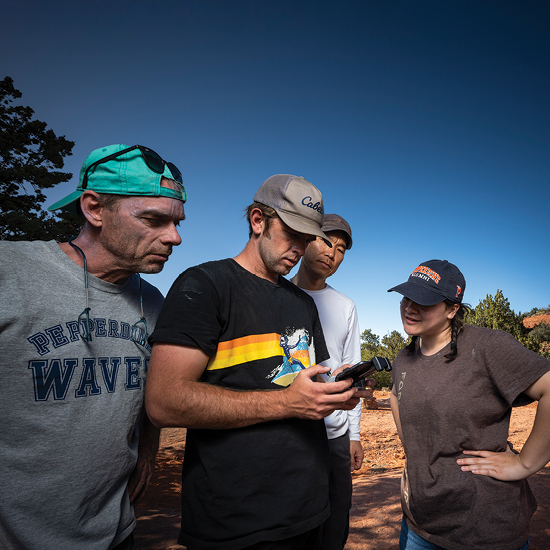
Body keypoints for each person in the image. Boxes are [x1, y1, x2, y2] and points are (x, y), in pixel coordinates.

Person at [146, 174, 369, 550]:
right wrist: (286, 403)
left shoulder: (302, 302)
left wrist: (338, 392)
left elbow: (309, 383)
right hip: (237, 517)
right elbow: (163, 401)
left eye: (307, 237)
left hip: (310, 507)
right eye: (292, 233)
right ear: (257, 220)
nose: (300, 247)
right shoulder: (203, 286)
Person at [0, 144, 187, 550]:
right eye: (154, 219)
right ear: (94, 209)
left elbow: (152, 396)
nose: (174, 237)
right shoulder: (9, 271)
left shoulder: (154, 303)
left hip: (116, 532)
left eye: (176, 222)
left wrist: (149, 449)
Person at [387, 259, 550, 550]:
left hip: (484, 529)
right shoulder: (403, 358)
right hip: (419, 525)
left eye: (423, 301)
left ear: (452, 309)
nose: (410, 307)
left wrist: (525, 463)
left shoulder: (487, 346)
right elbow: (396, 396)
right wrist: (417, 458)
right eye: (407, 297)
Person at [291, 213, 363, 550]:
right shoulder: (275, 293)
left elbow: (352, 374)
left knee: (336, 521)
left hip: (335, 433)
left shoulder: (345, 305)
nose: (332, 253)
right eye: (324, 241)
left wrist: (355, 435)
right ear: (305, 239)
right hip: (291, 432)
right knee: (293, 524)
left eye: (341, 249)